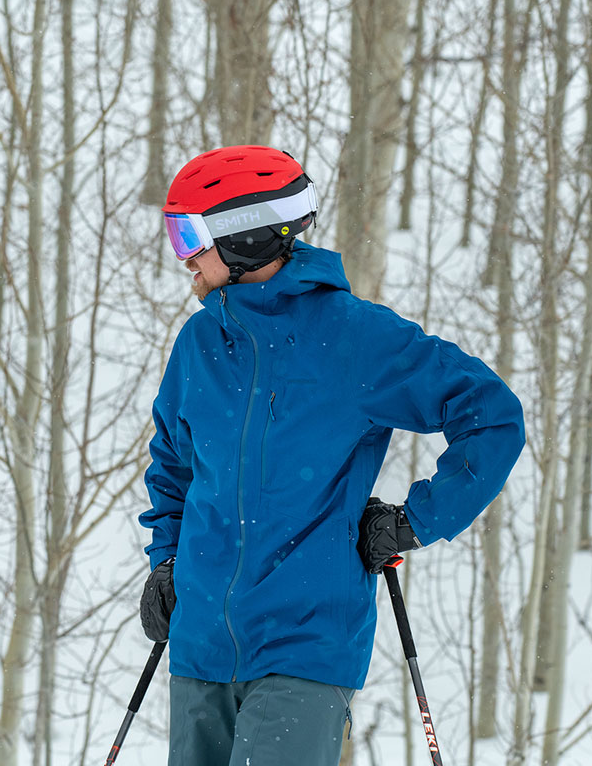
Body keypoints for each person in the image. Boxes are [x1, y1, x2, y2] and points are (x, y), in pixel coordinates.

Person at [138, 145, 525, 766]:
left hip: (306, 647)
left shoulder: (355, 338)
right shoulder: (200, 343)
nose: (182, 256)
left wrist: (416, 521)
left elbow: (492, 415)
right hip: (200, 645)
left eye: (189, 235)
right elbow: (174, 469)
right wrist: (165, 564)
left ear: (244, 240)